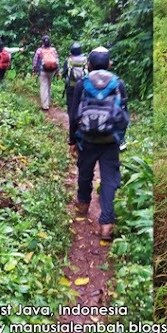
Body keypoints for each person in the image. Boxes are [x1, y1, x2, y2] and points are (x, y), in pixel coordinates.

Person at [68, 47, 129, 241]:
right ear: (109, 64)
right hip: (110, 141)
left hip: (87, 139)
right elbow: (124, 115)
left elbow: (73, 115)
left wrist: (72, 140)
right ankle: (106, 224)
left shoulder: (83, 84)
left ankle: (83, 205)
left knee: (85, 172)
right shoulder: (118, 83)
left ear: (89, 65)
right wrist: (120, 138)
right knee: (109, 179)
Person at [32, 35, 60, 111]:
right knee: (49, 86)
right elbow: (57, 61)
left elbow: (35, 61)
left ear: (42, 42)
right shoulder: (53, 50)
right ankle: (48, 102)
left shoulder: (39, 50)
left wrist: (34, 71)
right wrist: (58, 72)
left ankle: (45, 105)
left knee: (44, 86)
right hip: (52, 70)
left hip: (43, 71)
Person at [62, 41, 87, 121]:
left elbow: (65, 73)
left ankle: (72, 121)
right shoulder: (85, 60)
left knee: (71, 105)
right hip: (83, 86)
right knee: (81, 103)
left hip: (71, 86)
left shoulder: (69, 60)